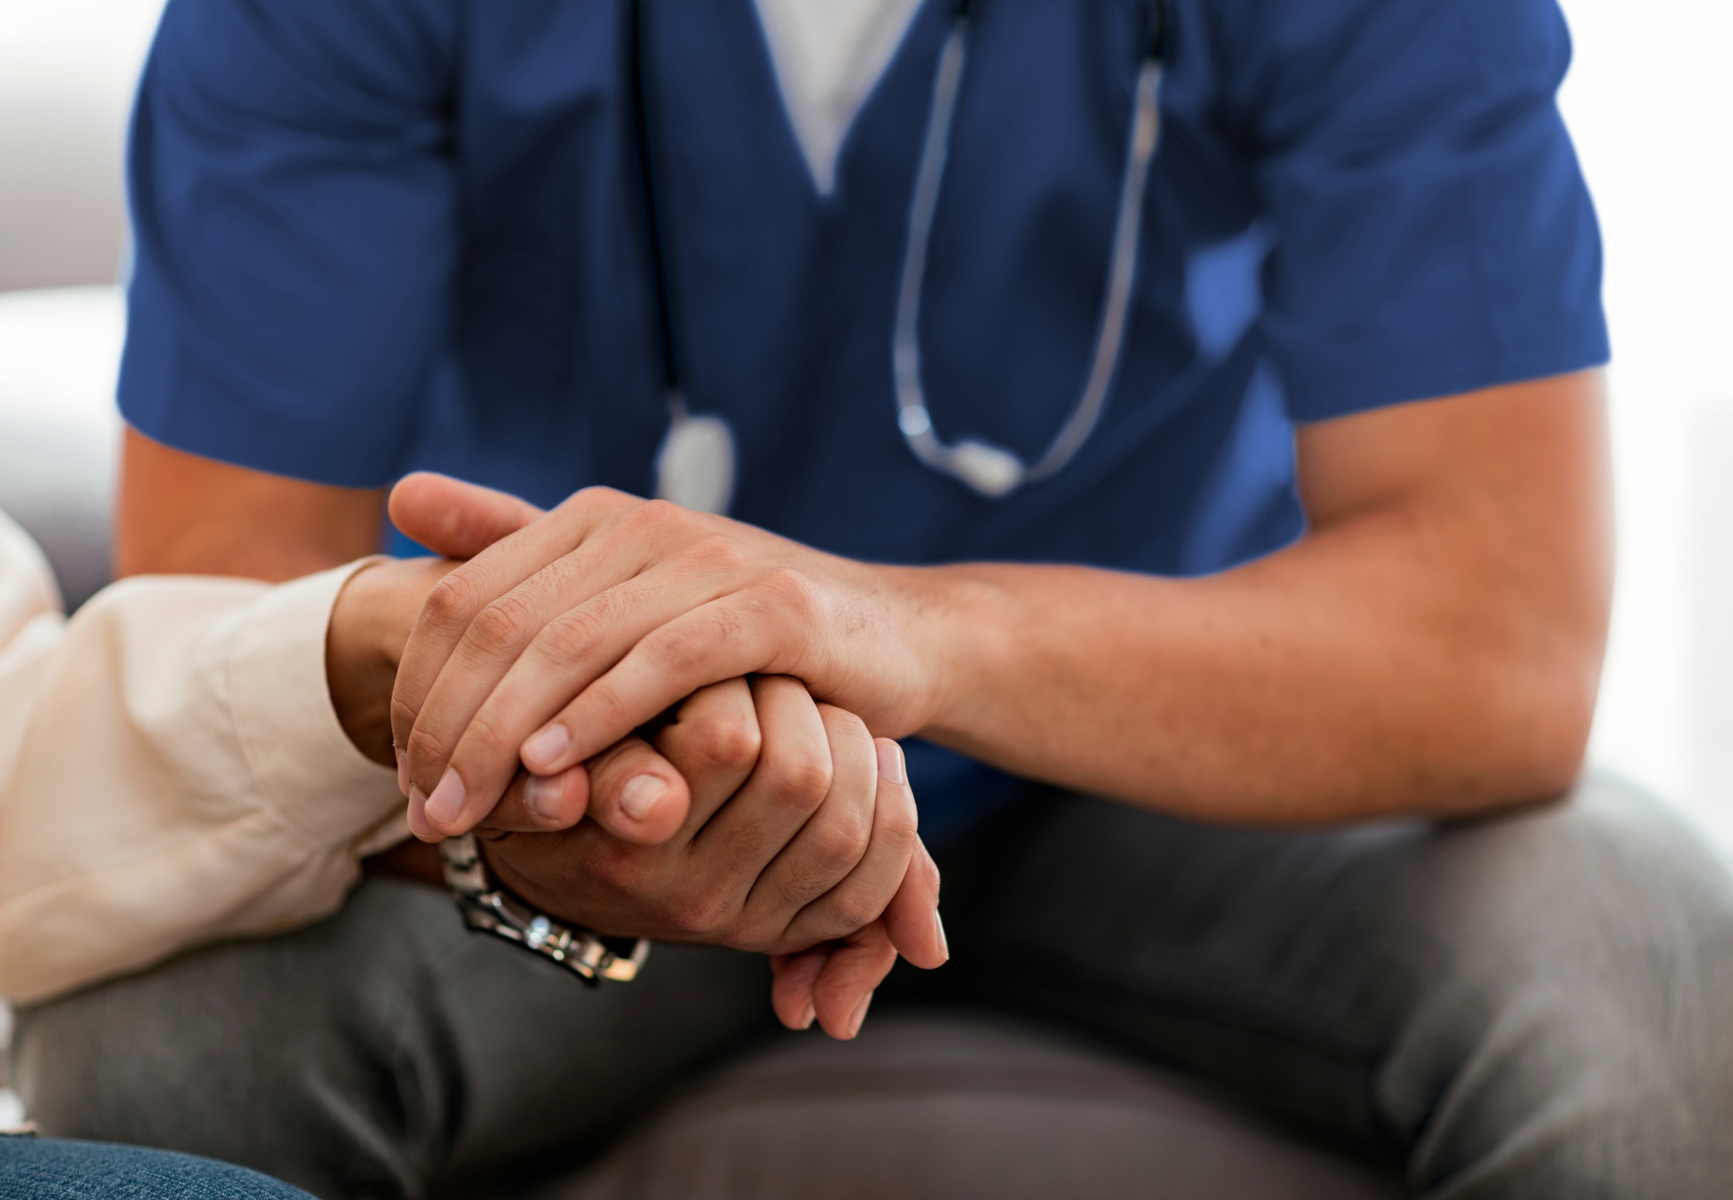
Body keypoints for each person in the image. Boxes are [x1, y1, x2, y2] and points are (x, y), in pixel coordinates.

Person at [14, 0, 1733, 1196]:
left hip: (1175, 755)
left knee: (1649, 979)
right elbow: (228, 620)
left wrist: (889, 635)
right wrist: (558, 784)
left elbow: (1494, 633)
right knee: (166, 1051)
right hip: (582, 772)